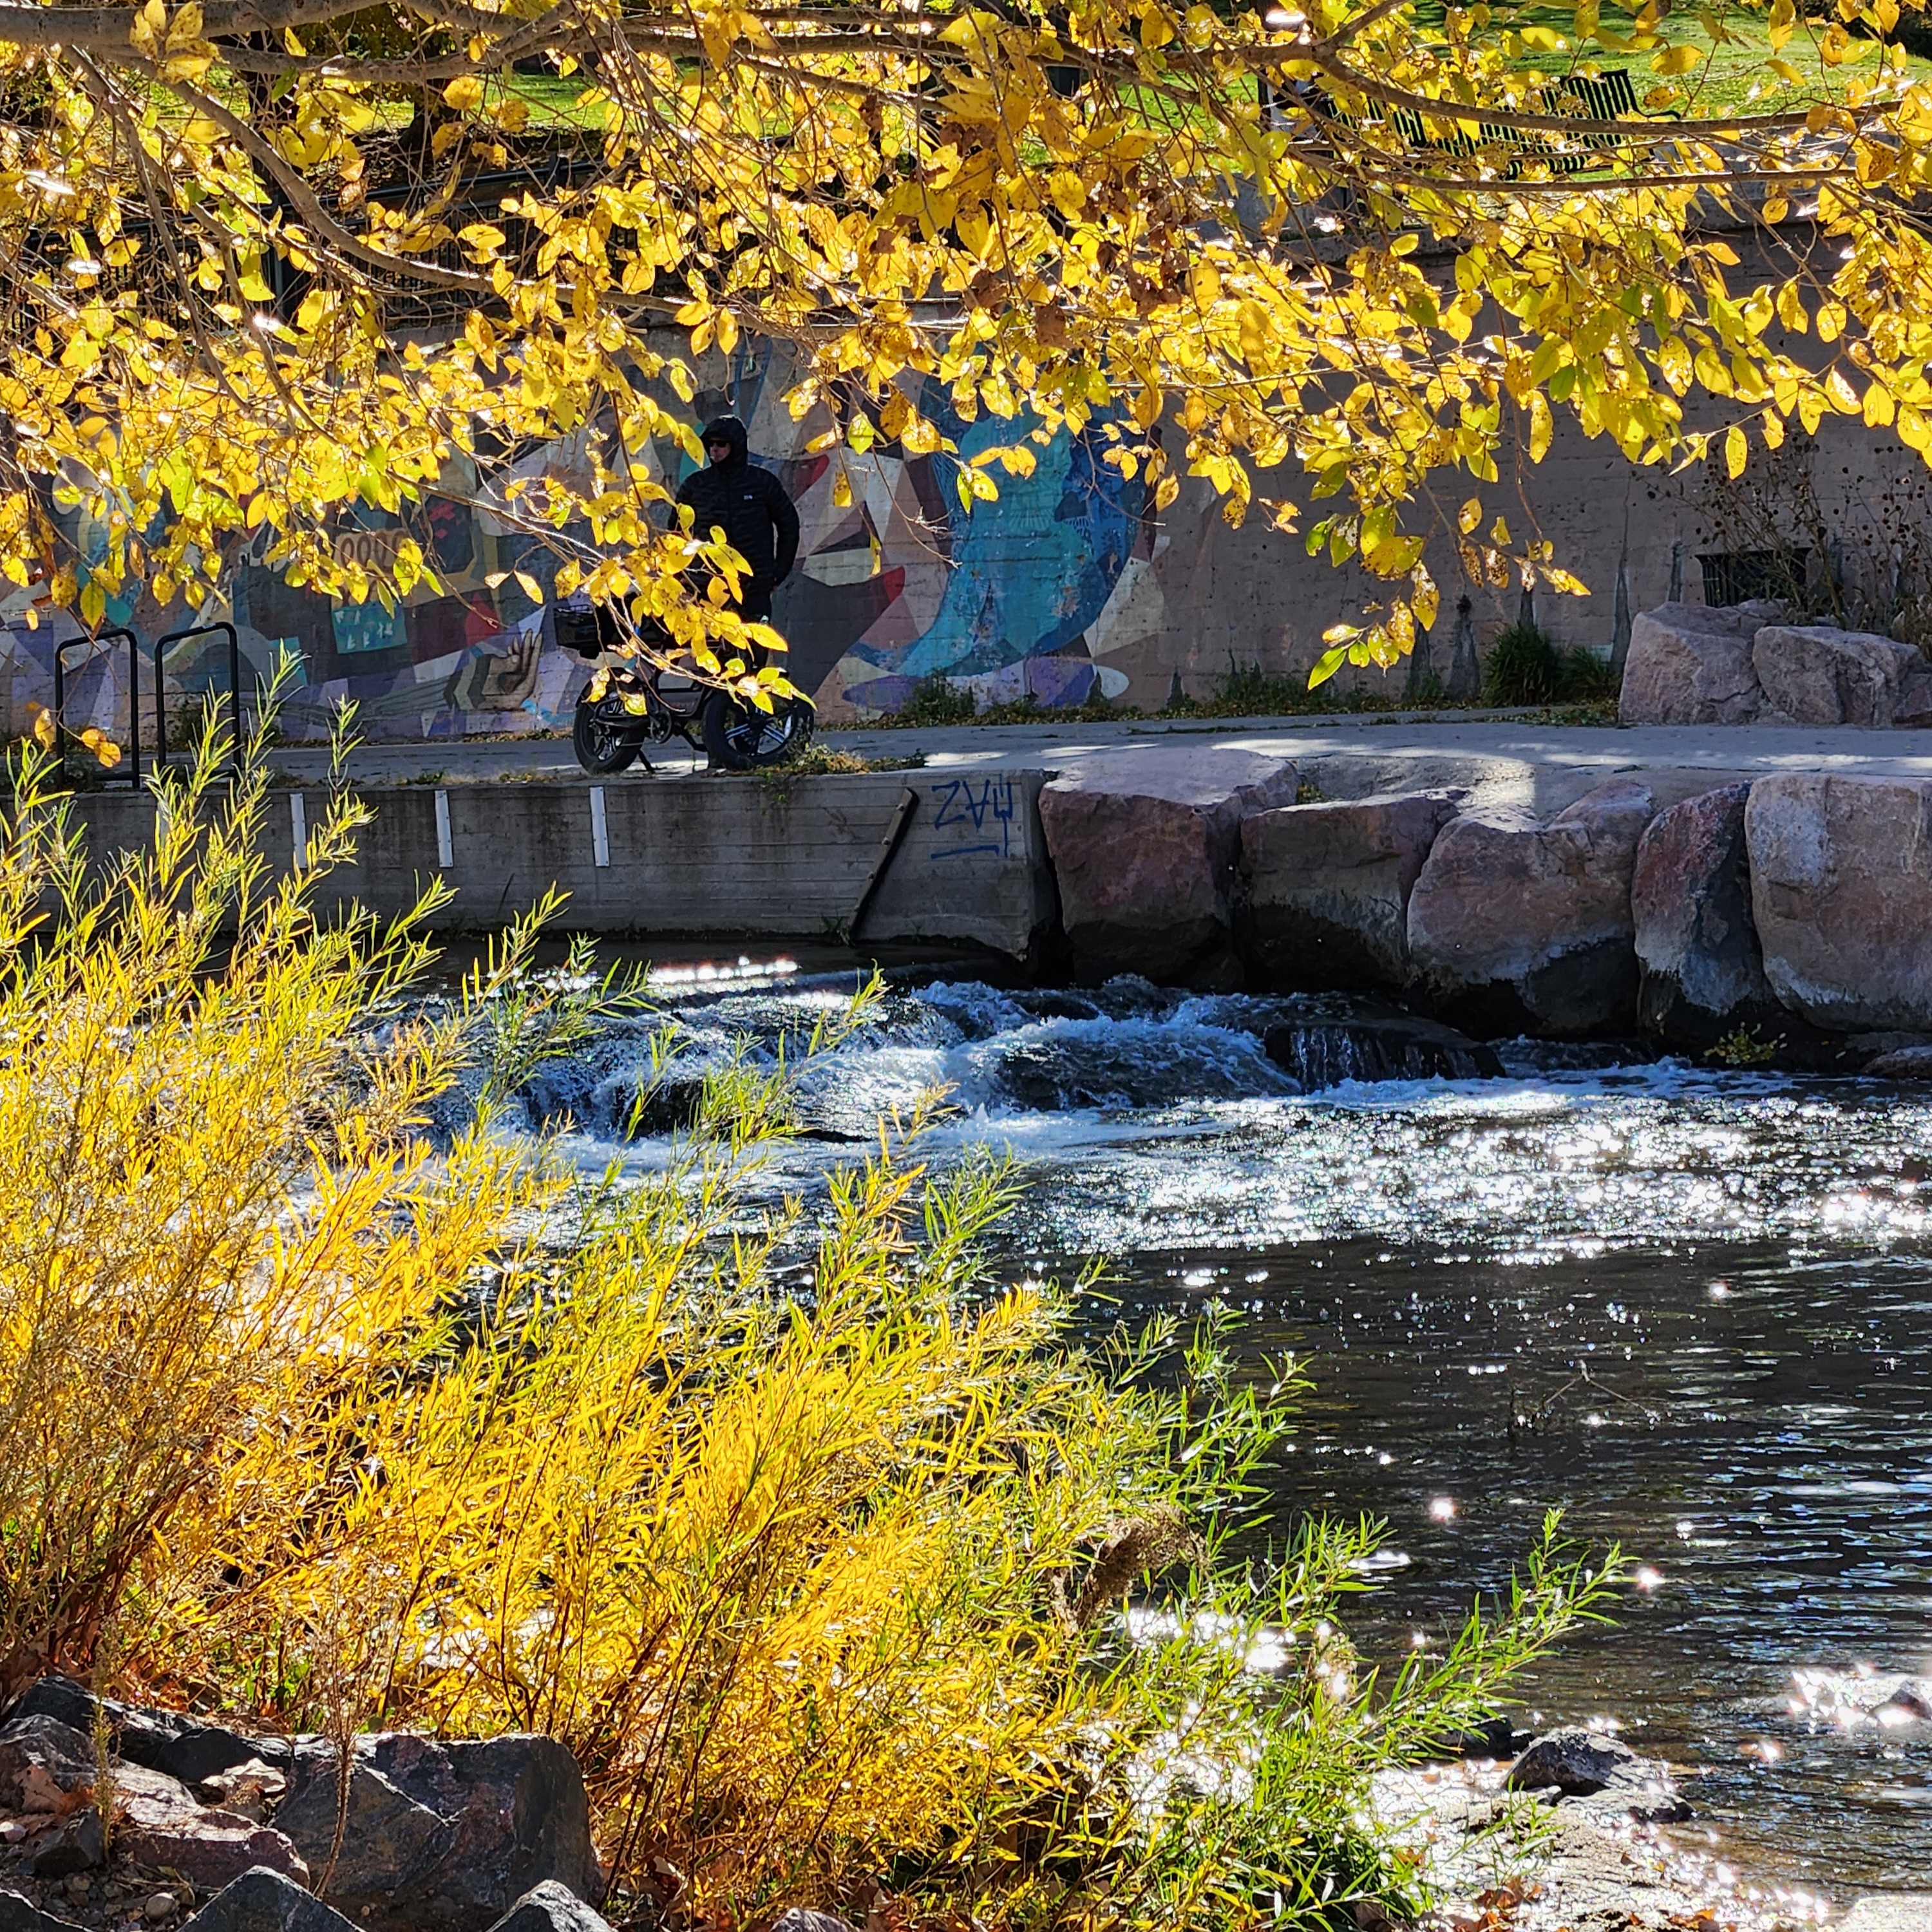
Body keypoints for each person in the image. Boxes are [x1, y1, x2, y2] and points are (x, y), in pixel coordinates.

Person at [676, 414, 800, 623]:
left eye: (721, 444)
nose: (714, 449)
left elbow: (789, 525)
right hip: (707, 586)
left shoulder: (761, 483)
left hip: (754, 587)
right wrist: (683, 578)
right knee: (711, 651)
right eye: (710, 444)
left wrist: (777, 573)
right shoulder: (695, 486)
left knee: (754, 649)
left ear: (736, 445)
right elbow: (676, 533)